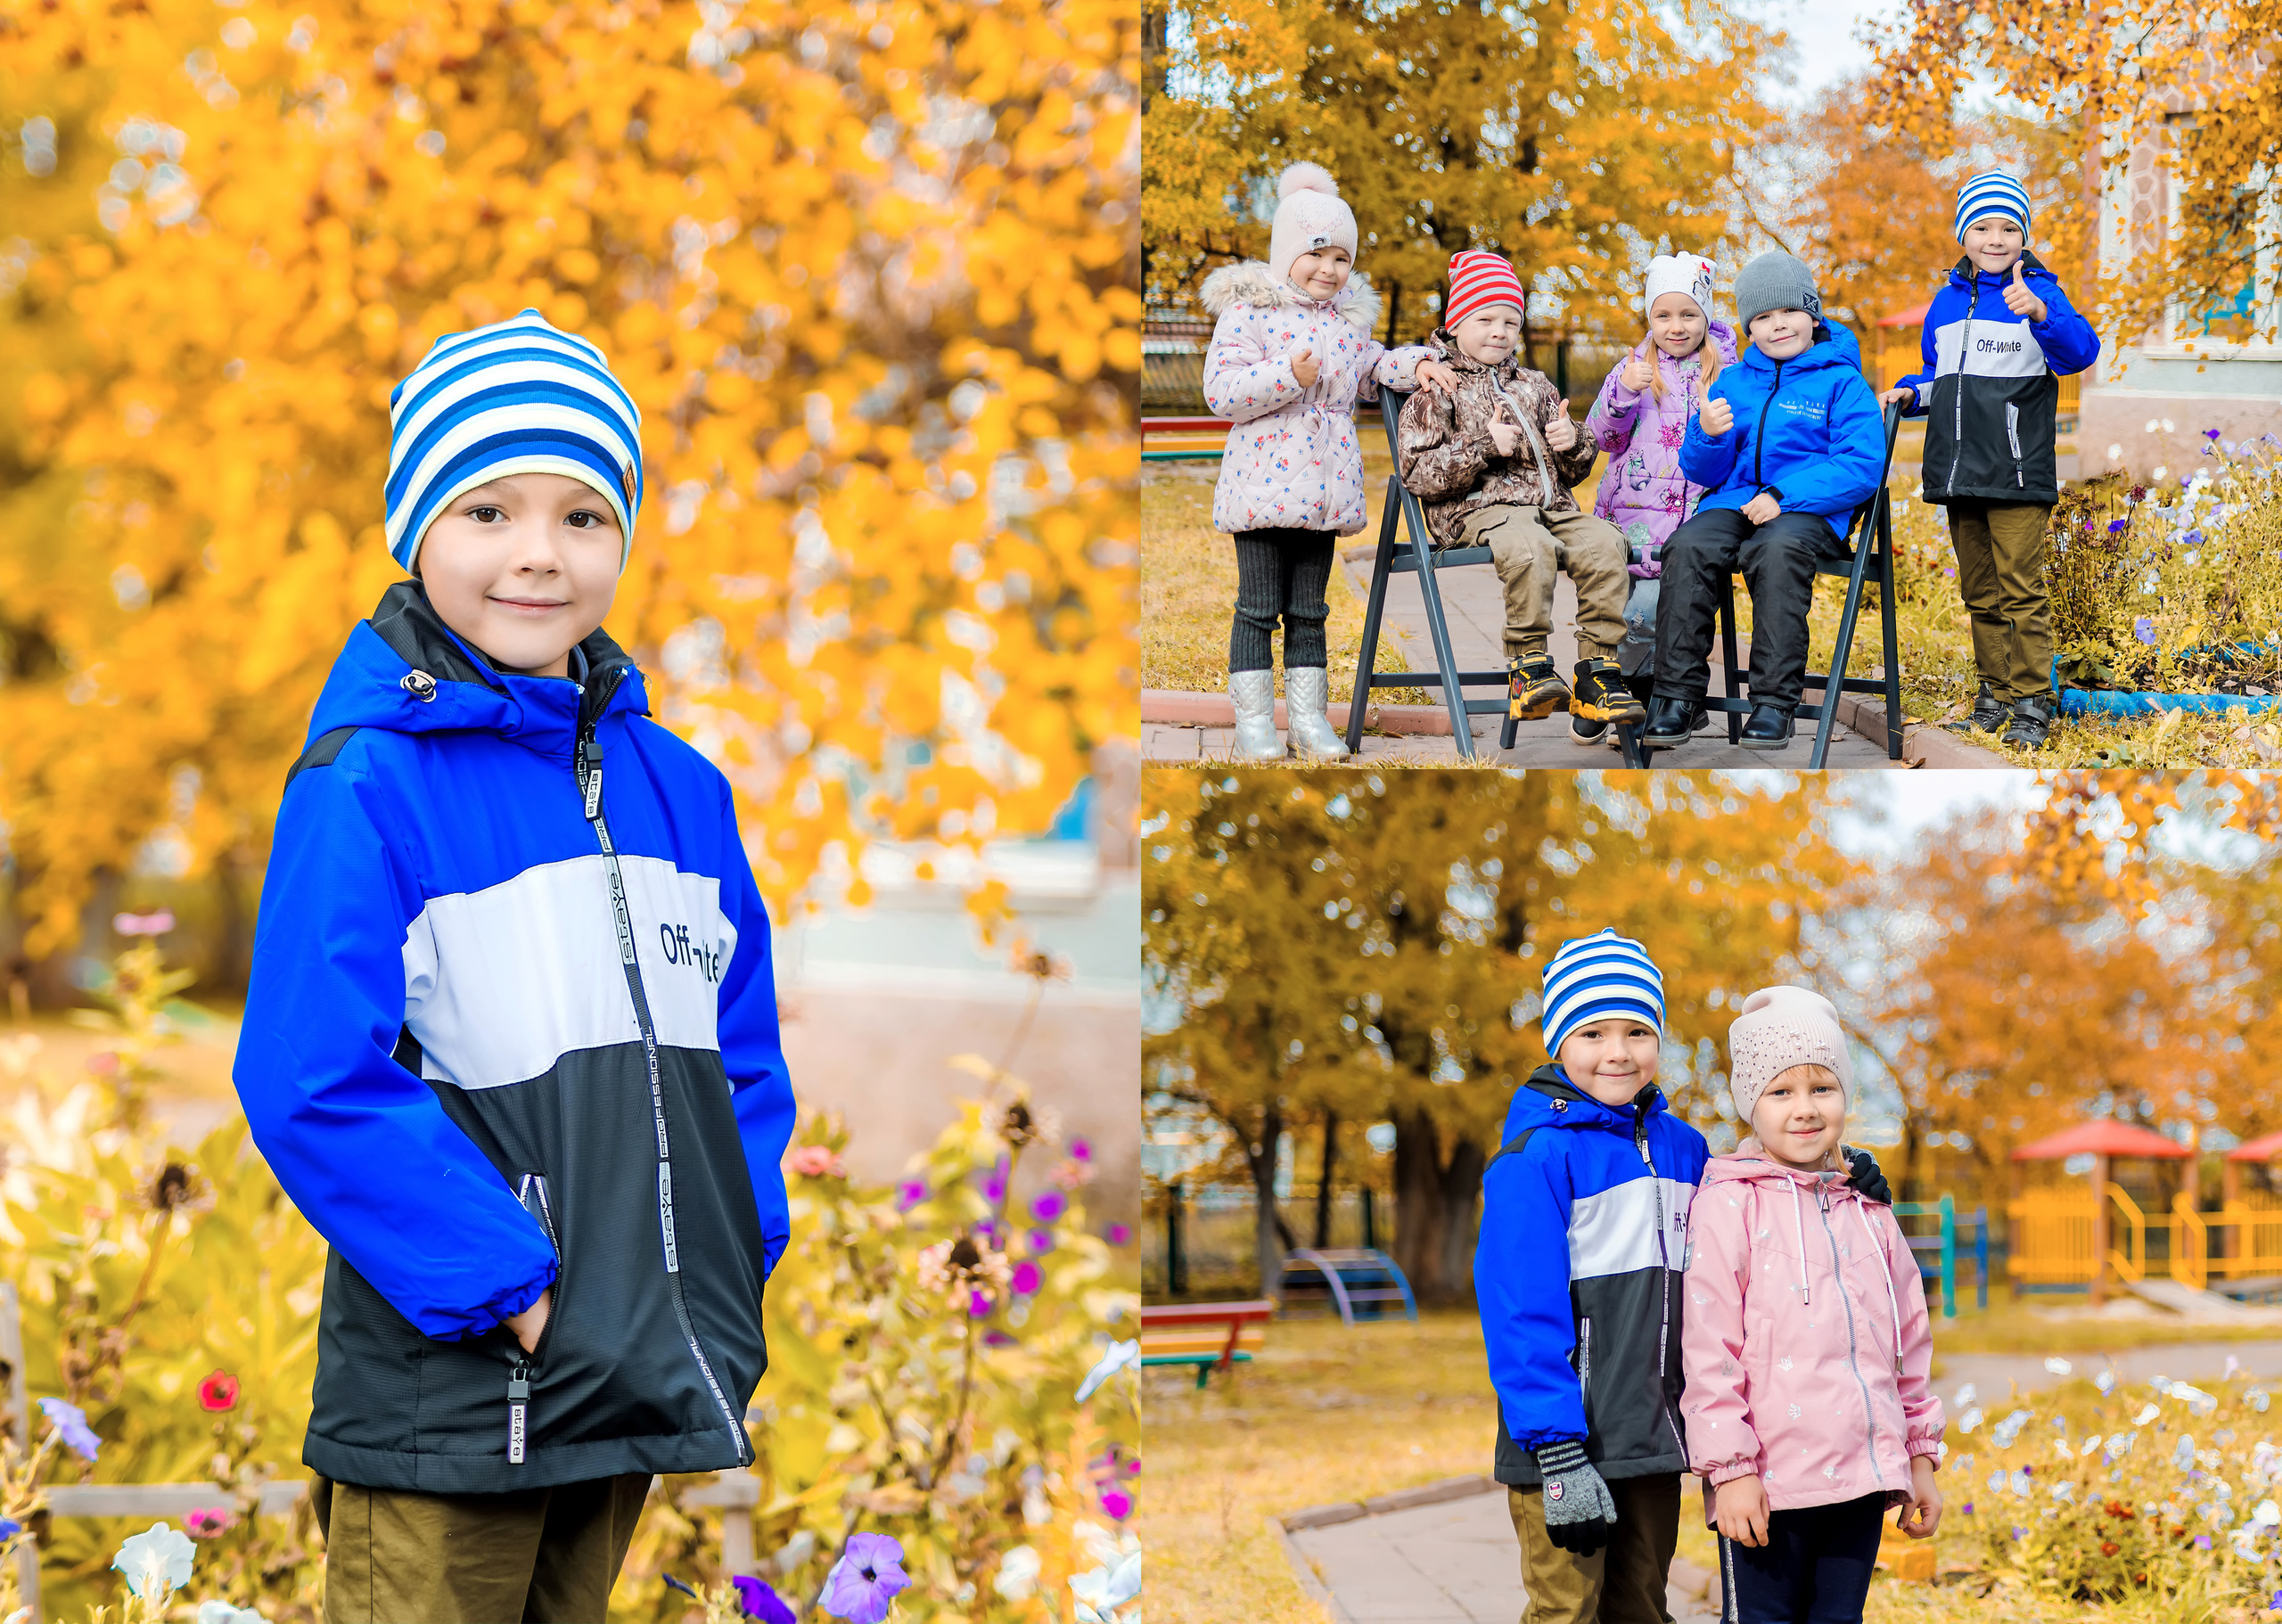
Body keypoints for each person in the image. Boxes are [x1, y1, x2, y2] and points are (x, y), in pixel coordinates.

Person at [233, 309, 798, 1623]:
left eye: (584, 515)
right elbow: (314, 1078)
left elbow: (742, 1060)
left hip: (633, 1360)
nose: (539, 553)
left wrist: (719, 1264)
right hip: (455, 1376)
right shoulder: (370, 781)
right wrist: (529, 1299)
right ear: (416, 530)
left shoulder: (682, 794)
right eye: (488, 510)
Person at [1681, 987, 1944, 1624]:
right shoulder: (1728, 1207)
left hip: (1860, 1479)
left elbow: (1908, 1342)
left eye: (1822, 1088)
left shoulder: (1869, 1210)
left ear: (1845, 1098)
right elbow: (1708, 1350)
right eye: (1781, 1092)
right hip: (1769, 1484)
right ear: (1751, 1104)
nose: (1804, 1109)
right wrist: (1731, 1470)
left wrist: (1920, 1458)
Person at [1201, 161, 1458, 762]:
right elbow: (1222, 392)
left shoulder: (1344, 323)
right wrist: (1287, 375)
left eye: (1342, 258)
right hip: (1263, 492)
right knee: (1259, 609)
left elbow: (1370, 366)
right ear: (1287, 252)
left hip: (1321, 492)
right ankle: (1256, 725)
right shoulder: (1249, 314)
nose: (1329, 269)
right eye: (1316, 253)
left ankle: (1312, 721)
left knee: (1311, 612)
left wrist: (1413, 363)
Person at [1884, 170, 2101, 750]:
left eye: (2009, 227)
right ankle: (1993, 698)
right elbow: (1939, 377)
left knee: (2021, 592)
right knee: (1979, 593)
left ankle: (2032, 703)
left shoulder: (2039, 291)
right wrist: (1910, 392)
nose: (1996, 238)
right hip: (1959, 474)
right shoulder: (1947, 302)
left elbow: (2080, 352)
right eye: (1982, 226)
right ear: (1964, 234)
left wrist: (2039, 313)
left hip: (2016, 470)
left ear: (2023, 235)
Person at [1641, 250, 1888, 751]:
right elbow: (1701, 471)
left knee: (1774, 551)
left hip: (1809, 512)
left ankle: (1774, 703)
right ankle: (1677, 697)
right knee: (1688, 545)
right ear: (1748, 328)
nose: (1778, 326)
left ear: (1812, 315)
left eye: (1789, 313)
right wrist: (1708, 436)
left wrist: (1785, 495)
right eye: (1763, 317)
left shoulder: (1841, 381)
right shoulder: (1732, 381)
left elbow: (1861, 465)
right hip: (1734, 502)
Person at [1398, 250, 1643, 734]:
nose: (1499, 331)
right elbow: (1418, 474)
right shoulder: (1437, 388)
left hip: (1548, 507)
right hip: (1476, 512)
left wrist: (1573, 443)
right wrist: (1485, 447)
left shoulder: (1535, 385)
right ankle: (1528, 666)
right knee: (1531, 546)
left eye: (1511, 321)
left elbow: (1572, 471)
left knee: (1606, 543)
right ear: (1456, 322)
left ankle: (1597, 672)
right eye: (1485, 318)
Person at [1580, 252, 1738, 742]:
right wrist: (1622, 394)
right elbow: (1600, 439)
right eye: (1663, 315)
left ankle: (1629, 694)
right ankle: (1607, 692)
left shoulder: (1728, 371)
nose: (1675, 326)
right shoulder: (1632, 368)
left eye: (1688, 314)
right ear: (1649, 317)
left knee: (1646, 612)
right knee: (1615, 614)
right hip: (1630, 522)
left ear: (1706, 316)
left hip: (1691, 523)